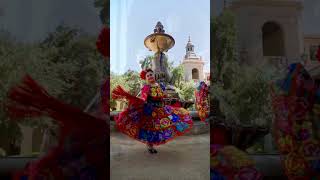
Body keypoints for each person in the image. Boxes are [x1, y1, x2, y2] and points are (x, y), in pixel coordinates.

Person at [112, 68, 193, 154]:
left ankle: (153, 144)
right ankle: (150, 146)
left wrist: (168, 98)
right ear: (146, 78)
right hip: (150, 110)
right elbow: (143, 98)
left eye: (151, 74)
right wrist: (135, 99)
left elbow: (164, 96)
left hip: (161, 109)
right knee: (150, 127)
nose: (150, 76)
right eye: (148, 76)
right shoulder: (146, 87)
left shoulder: (161, 85)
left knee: (165, 124)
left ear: (154, 75)